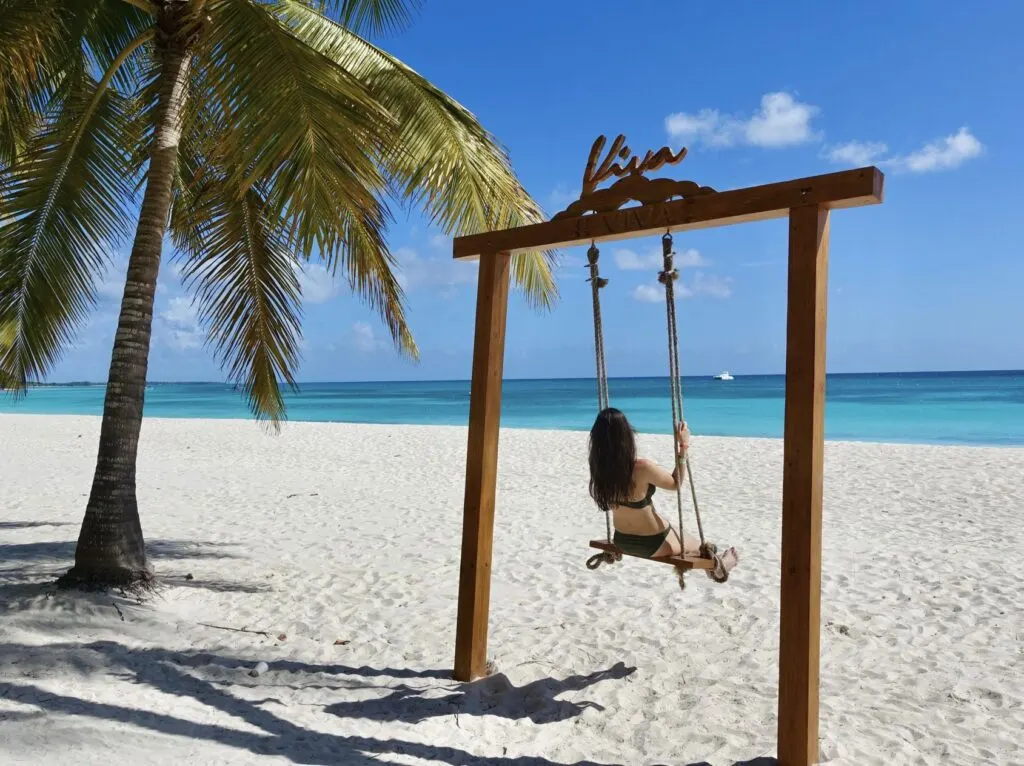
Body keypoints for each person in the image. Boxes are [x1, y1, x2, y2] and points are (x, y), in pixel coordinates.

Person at [588, 407, 739, 573]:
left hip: (622, 540)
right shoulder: (642, 468)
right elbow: (675, 484)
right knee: (701, 548)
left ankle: (716, 566)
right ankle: (719, 566)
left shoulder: (599, 470)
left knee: (681, 535)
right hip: (654, 542)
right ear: (627, 436)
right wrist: (683, 446)